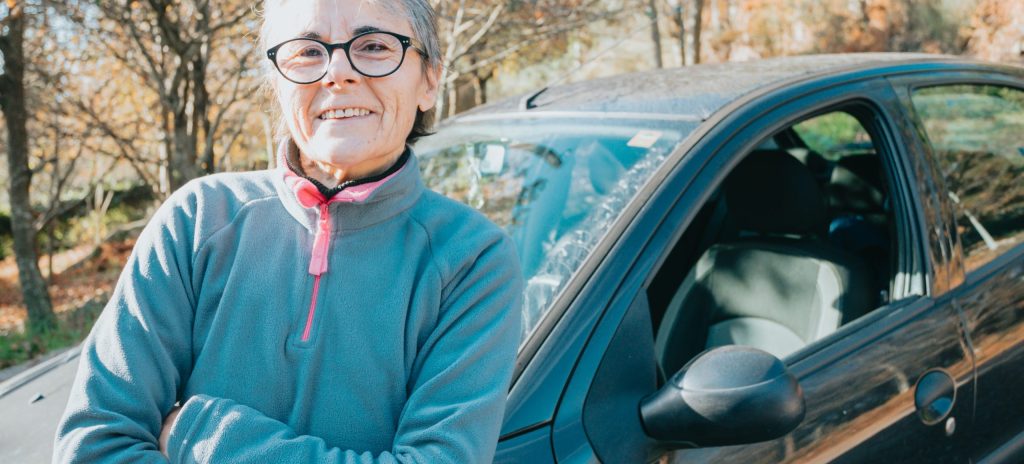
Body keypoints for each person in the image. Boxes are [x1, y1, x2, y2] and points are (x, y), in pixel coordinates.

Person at [53, 0, 524, 462]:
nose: (338, 72)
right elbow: (94, 445)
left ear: (430, 79)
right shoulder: (196, 222)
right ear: (277, 83)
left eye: (375, 46)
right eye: (307, 51)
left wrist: (203, 436)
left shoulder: (472, 261)